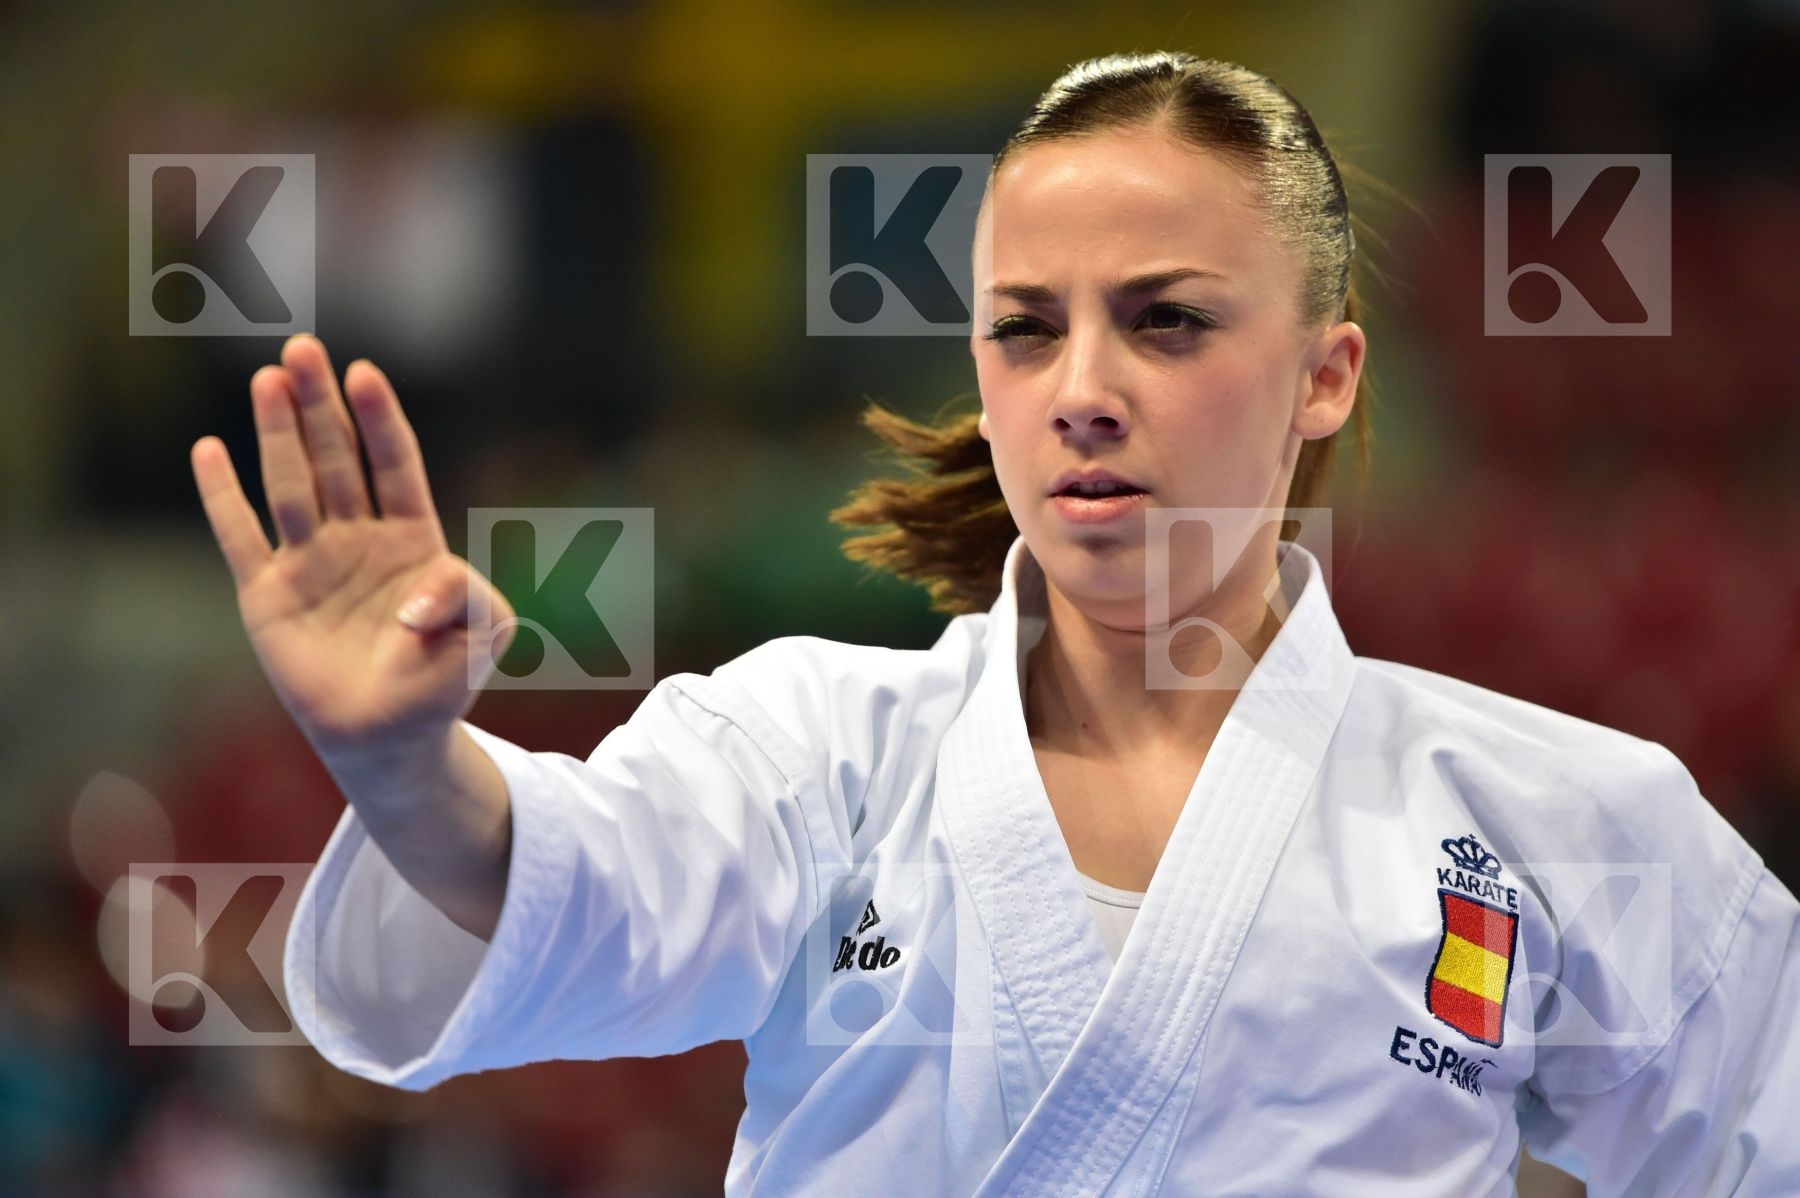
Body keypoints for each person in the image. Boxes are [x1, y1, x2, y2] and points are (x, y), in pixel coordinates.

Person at [190, 51, 1800, 1197]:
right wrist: (403, 770)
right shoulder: (819, 753)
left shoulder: (1541, 816)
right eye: (1027, 330)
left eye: (1167, 320)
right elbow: (572, 888)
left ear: (1326, 374)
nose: (1082, 390)